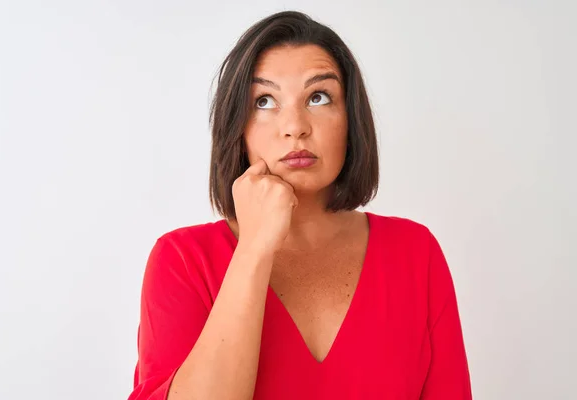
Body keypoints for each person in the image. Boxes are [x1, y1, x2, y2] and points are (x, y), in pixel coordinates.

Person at [127, 10, 472, 400]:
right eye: (264, 101)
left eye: (318, 97)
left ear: (351, 119)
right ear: (237, 128)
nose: (295, 125)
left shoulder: (415, 252)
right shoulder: (183, 261)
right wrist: (254, 248)